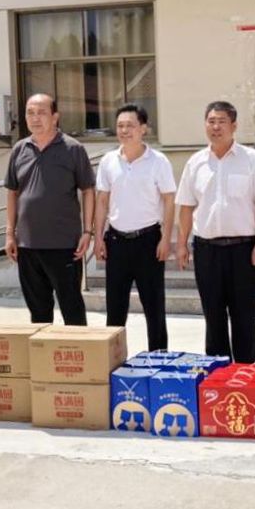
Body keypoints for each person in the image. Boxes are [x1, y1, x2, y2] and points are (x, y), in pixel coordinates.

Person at [176, 101, 255, 363]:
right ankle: (217, 371)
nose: (216, 127)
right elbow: (186, 206)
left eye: (221, 121)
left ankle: (245, 370)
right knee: (213, 314)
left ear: (234, 126)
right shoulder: (195, 162)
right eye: (211, 121)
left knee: (244, 315)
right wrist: (182, 244)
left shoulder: (252, 159)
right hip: (206, 250)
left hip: (243, 249)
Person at [4, 93, 96, 325]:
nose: (35, 118)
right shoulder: (19, 149)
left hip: (64, 245)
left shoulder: (73, 149)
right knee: (38, 313)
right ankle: (43, 348)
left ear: (55, 117)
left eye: (41, 113)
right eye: (30, 113)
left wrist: (88, 231)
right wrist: (9, 234)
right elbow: (12, 193)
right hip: (27, 246)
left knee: (72, 310)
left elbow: (88, 190)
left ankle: (79, 346)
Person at [93, 104, 176, 350]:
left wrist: (166, 239)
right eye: (120, 126)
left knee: (154, 307)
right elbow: (102, 201)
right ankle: (113, 359)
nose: (124, 130)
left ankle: (158, 358)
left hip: (148, 241)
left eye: (130, 125)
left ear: (143, 129)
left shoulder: (158, 161)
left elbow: (169, 200)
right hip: (116, 242)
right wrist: (98, 238)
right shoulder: (108, 161)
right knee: (115, 309)